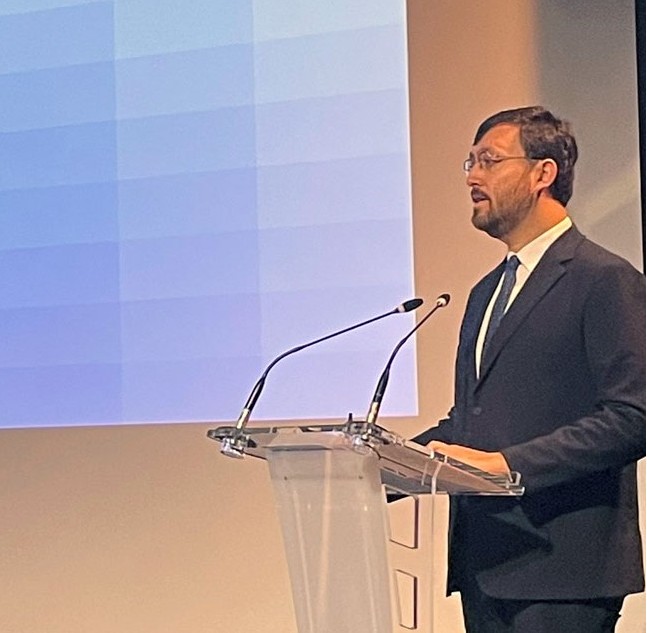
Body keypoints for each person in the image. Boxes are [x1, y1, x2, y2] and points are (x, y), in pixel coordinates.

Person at [413, 106, 645, 633]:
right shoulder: (484, 292)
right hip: (485, 565)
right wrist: (372, 468)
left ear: (543, 173)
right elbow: (472, 421)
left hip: (564, 572)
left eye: (489, 161)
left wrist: (507, 465)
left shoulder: (604, 279)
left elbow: (635, 416)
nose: (472, 176)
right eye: (470, 162)